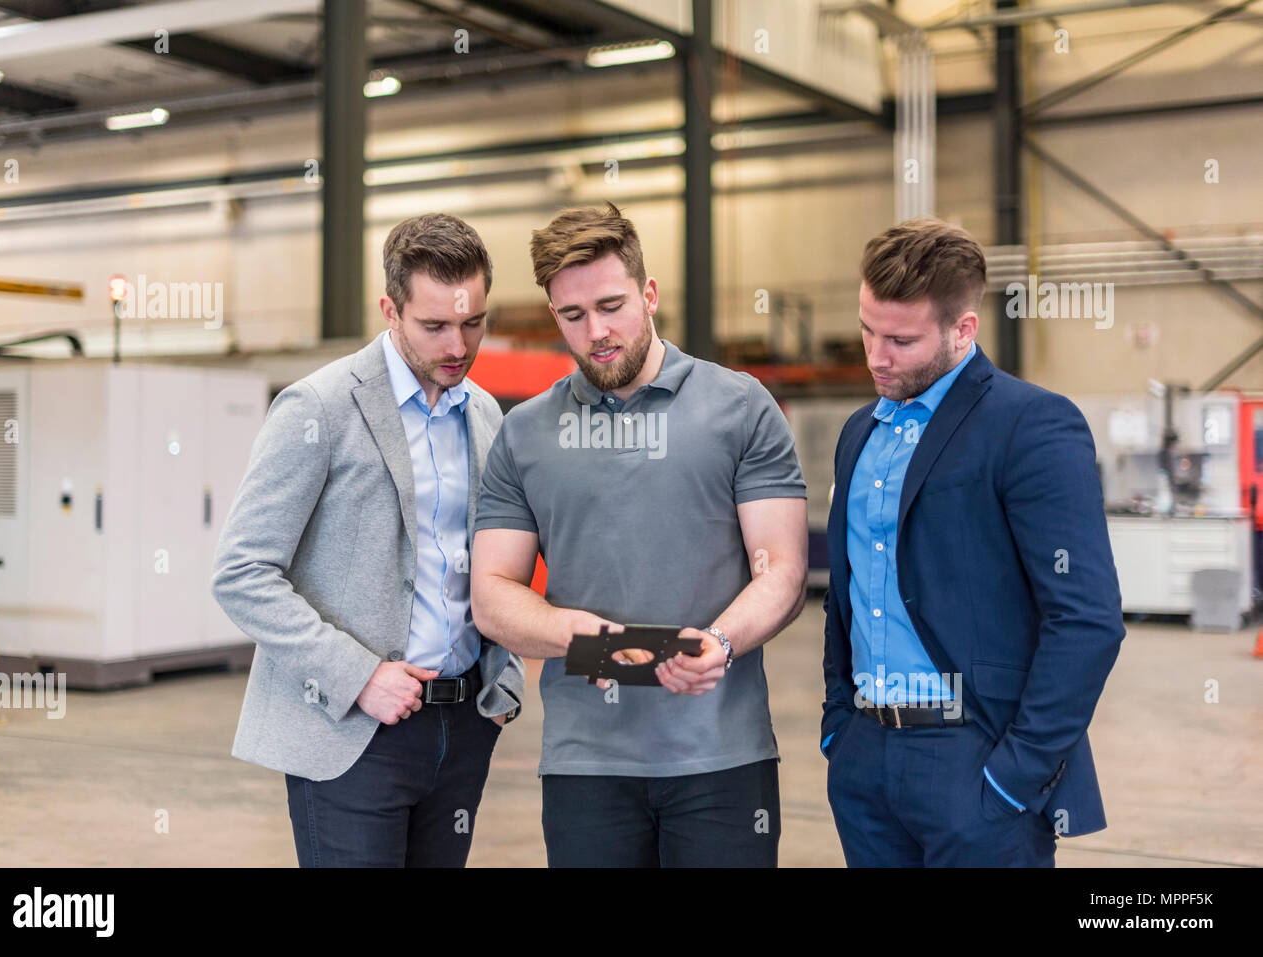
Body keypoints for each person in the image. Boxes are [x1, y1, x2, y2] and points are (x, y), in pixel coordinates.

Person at [470, 202, 808, 868]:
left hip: (722, 757)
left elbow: (784, 570)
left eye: (612, 305)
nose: (596, 331)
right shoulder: (525, 433)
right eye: (572, 315)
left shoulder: (740, 408)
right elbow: (492, 592)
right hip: (585, 765)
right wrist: (581, 637)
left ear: (649, 295)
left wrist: (720, 641)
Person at [212, 213, 524, 867]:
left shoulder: (488, 414)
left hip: (463, 725)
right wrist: (359, 678)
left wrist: (505, 682)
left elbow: (499, 564)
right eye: (433, 325)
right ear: (390, 309)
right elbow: (242, 571)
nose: (458, 345)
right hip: (352, 731)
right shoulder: (318, 409)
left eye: (474, 323)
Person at [820, 218, 1124, 867]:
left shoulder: (1031, 424)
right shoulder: (860, 433)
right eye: (868, 329)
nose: (875, 355)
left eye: (901, 339)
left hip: (973, 759)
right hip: (865, 758)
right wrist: (838, 726)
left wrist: (1014, 775)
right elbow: (846, 592)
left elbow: (1087, 619)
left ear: (963, 329)